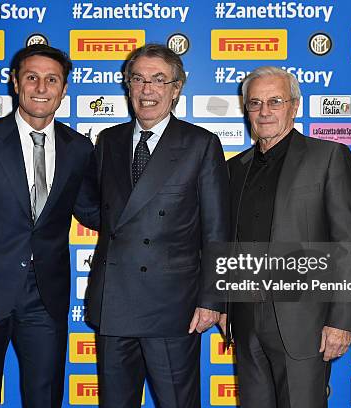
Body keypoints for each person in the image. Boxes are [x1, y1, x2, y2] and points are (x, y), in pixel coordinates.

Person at [0, 44, 99, 408]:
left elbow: (92, 212)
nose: (41, 87)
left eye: (51, 80)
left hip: (46, 300)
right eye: (32, 78)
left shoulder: (79, 148)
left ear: (64, 89)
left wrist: (145, 203)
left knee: (45, 401)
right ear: (15, 83)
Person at [86, 44, 229, 408]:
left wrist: (212, 299)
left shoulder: (201, 144)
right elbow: (99, 211)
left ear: (176, 88)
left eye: (158, 80)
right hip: (115, 302)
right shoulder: (109, 141)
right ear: (128, 86)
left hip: (173, 307)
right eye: (138, 79)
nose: (147, 89)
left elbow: (216, 230)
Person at [226, 66, 351, 408]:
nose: (264, 111)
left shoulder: (328, 156)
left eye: (275, 101)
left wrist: (341, 321)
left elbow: (347, 242)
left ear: (295, 105)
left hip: (305, 323)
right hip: (245, 321)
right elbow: (230, 240)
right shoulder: (233, 168)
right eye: (255, 103)